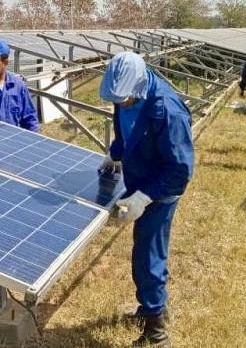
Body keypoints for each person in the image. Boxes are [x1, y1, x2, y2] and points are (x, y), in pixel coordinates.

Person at [97, 52, 194, 348]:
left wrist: (144, 197)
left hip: (161, 190)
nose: (121, 105)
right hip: (141, 178)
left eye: (125, 100)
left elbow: (180, 170)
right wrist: (116, 153)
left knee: (147, 256)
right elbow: (125, 132)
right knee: (147, 250)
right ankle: (154, 309)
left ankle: (156, 332)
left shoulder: (167, 110)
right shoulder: (123, 95)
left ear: (139, 86)